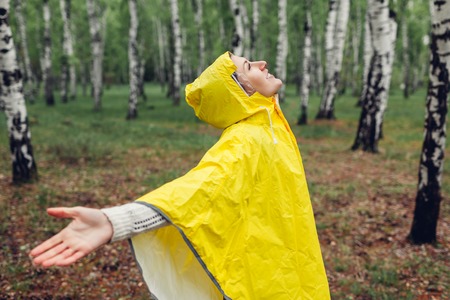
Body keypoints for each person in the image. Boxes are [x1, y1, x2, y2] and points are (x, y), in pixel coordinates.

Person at [30, 52, 330, 299]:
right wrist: (116, 221)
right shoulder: (244, 141)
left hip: (289, 258)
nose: (263, 63)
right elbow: (197, 191)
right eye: (249, 66)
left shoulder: (268, 125)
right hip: (269, 274)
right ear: (242, 92)